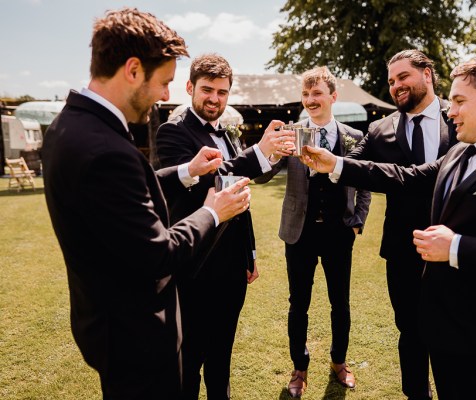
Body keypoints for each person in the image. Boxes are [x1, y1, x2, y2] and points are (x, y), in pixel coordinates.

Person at [301, 51, 476, 399]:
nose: (452, 110)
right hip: (445, 325)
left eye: (459, 101)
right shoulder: (461, 152)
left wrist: (456, 247)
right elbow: (407, 177)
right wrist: (336, 164)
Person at [42, 8, 251, 399]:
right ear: (133, 69)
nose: (166, 95)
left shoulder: (69, 126)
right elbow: (158, 254)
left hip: (106, 327)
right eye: (165, 82)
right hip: (136, 338)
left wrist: (186, 171)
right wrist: (213, 211)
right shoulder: (106, 149)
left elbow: (124, 194)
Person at [155, 53, 295, 400]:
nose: (214, 98)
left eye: (222, 91)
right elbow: (214, 179)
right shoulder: (172, 132)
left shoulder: (228, 135)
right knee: (188, 363)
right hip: (194, 267)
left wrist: (249, 253)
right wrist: (258, 152)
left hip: (232, 269)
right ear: (190, 88)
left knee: (221, 359)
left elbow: (241, 194)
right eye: (207, 90)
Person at [254, 66, 371, 398]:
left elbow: (364, 184)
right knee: (298, 304)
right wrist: (271, 149)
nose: (310, 100)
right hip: (299, 233)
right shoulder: (290, 133)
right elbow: (262, 177)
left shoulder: (353, 137)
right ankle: (300, 368)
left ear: (333, 96)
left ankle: (339, 362)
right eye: (305, 94)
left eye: (317, 93)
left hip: (339, 234)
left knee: (340, 303)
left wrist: (358, 220)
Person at [347, 49, 457, 400]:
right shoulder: (380, 129)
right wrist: (317, 152)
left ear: (427, 75)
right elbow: (351, 164)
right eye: (391, 81)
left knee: (453, 329)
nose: (395, 86)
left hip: (455, 245)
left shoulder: (459, 116)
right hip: (402, 248)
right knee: (409, 330)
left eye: (403, 77)